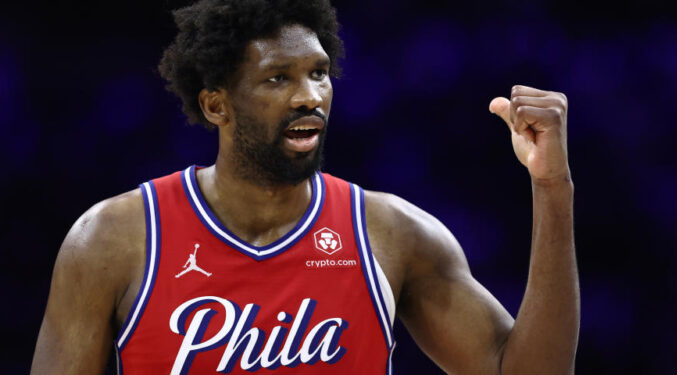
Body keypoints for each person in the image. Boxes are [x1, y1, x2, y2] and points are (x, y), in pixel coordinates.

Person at [31, 0, 579, 374]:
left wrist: (552, 187)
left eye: (318, 73)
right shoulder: (114, 240)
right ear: (215, 103)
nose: (308, 96)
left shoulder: (390, 234)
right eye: (278, 78)